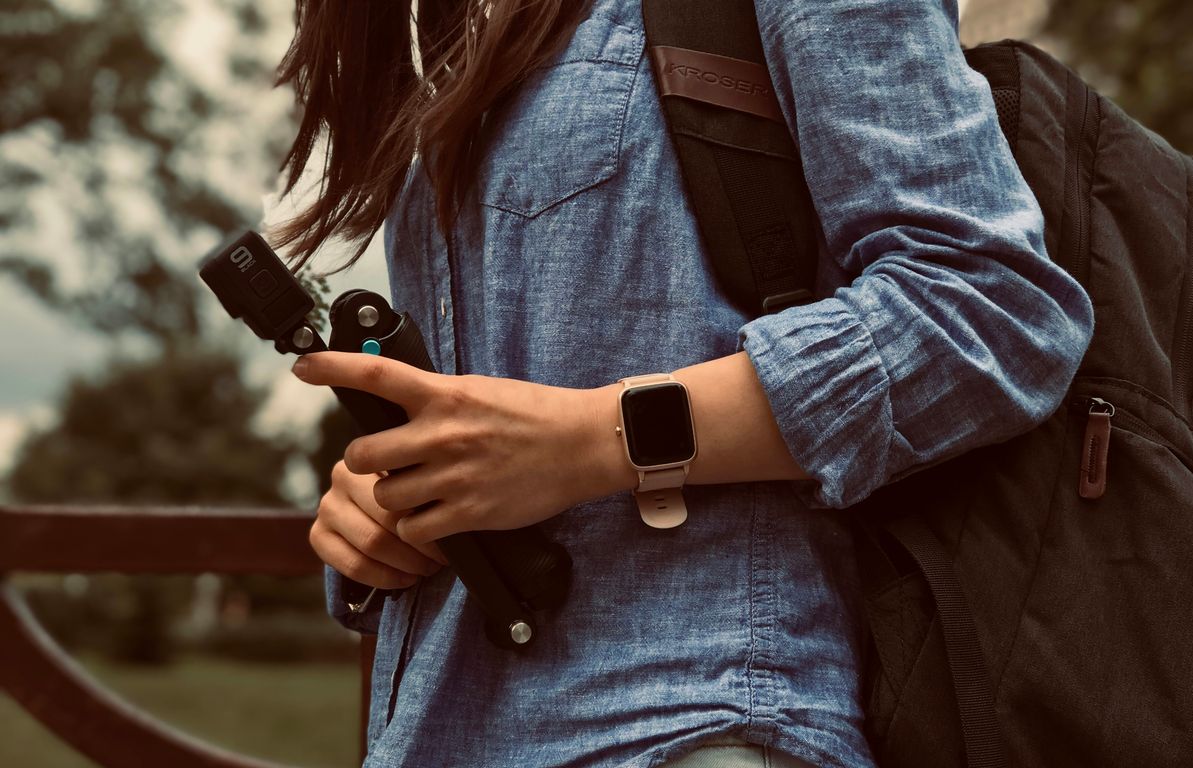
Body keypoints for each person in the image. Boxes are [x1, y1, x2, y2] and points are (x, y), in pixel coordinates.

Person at [276, 0, 1095, 766]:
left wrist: (599, 441)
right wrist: (391, 499)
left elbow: (991, 308)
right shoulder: (456, 22)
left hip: (690, 724)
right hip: (446, 731)